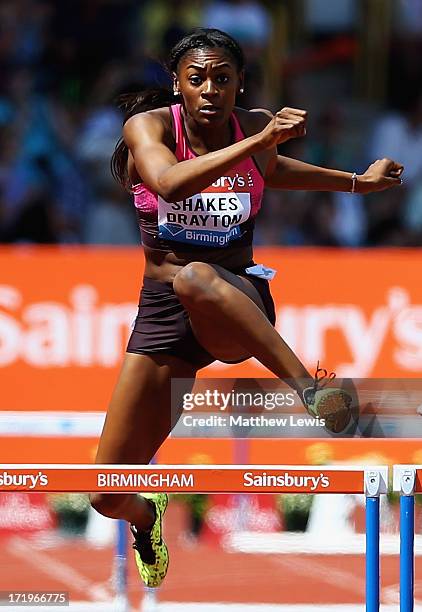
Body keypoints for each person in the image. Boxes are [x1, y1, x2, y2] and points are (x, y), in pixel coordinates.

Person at [90, 28, 404, 588]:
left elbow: (275, 171)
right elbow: (168, 182)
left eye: (222, 77)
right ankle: (148, 515)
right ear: (177, 85)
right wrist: (257, 145)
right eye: (197, 78)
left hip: (236, 299)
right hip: (164, 318)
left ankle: (313, 390)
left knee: (197, 277)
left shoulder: (255, 129)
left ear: (239, 83)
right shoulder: (151, 128)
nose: (210, 88)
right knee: (105, 493)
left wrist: (357, 183)